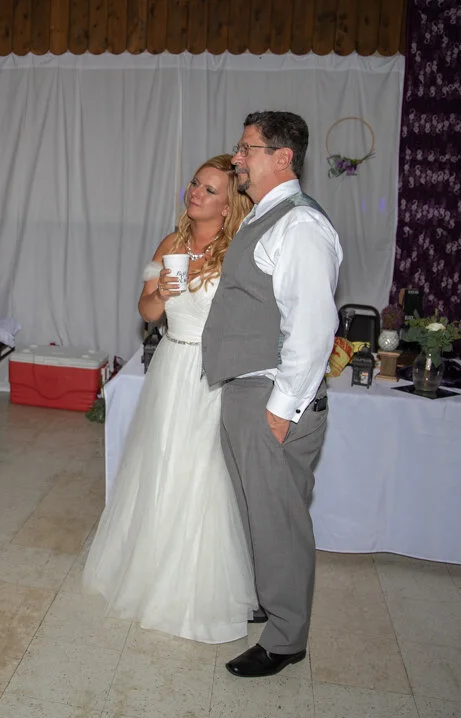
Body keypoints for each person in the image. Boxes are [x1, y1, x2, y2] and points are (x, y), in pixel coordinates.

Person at [83, 154, 257, 643]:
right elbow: (146, 311)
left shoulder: (240, 249)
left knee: (202, 472)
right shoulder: (171, 243)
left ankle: (194, 589)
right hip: (170, 364)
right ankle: (149, 571)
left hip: (213, 372)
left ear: (228, 206)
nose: (195, 192)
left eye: (209, 189)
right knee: (160, 463)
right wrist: (159, 292)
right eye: (195, 183)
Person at [202, 112, 342, 677]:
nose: (237, 158)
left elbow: (312, 329)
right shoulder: (265, 216)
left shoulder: (300, 225)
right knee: (257, 512)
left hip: (273, 394)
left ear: (282, 157)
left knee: (279, 520)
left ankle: (286, 639)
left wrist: (280, 412)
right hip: (250, 389)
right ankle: (269, 600)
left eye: (247, 149)